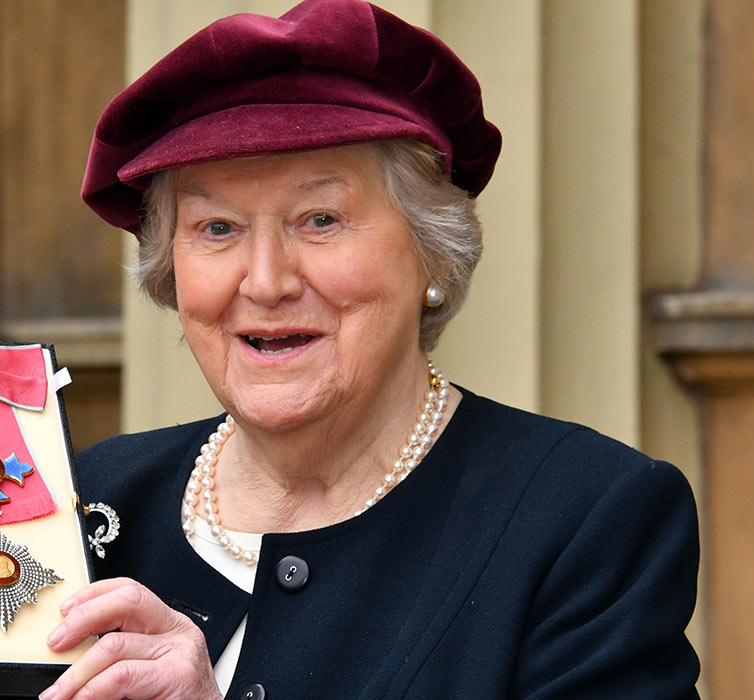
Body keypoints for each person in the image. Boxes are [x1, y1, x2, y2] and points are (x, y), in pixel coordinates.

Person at [41, 1, 701, 698]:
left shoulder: (580, 519)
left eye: (320, 220)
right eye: (217, 228)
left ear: (432, 255)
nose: (264, 281)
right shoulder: (86, 503)